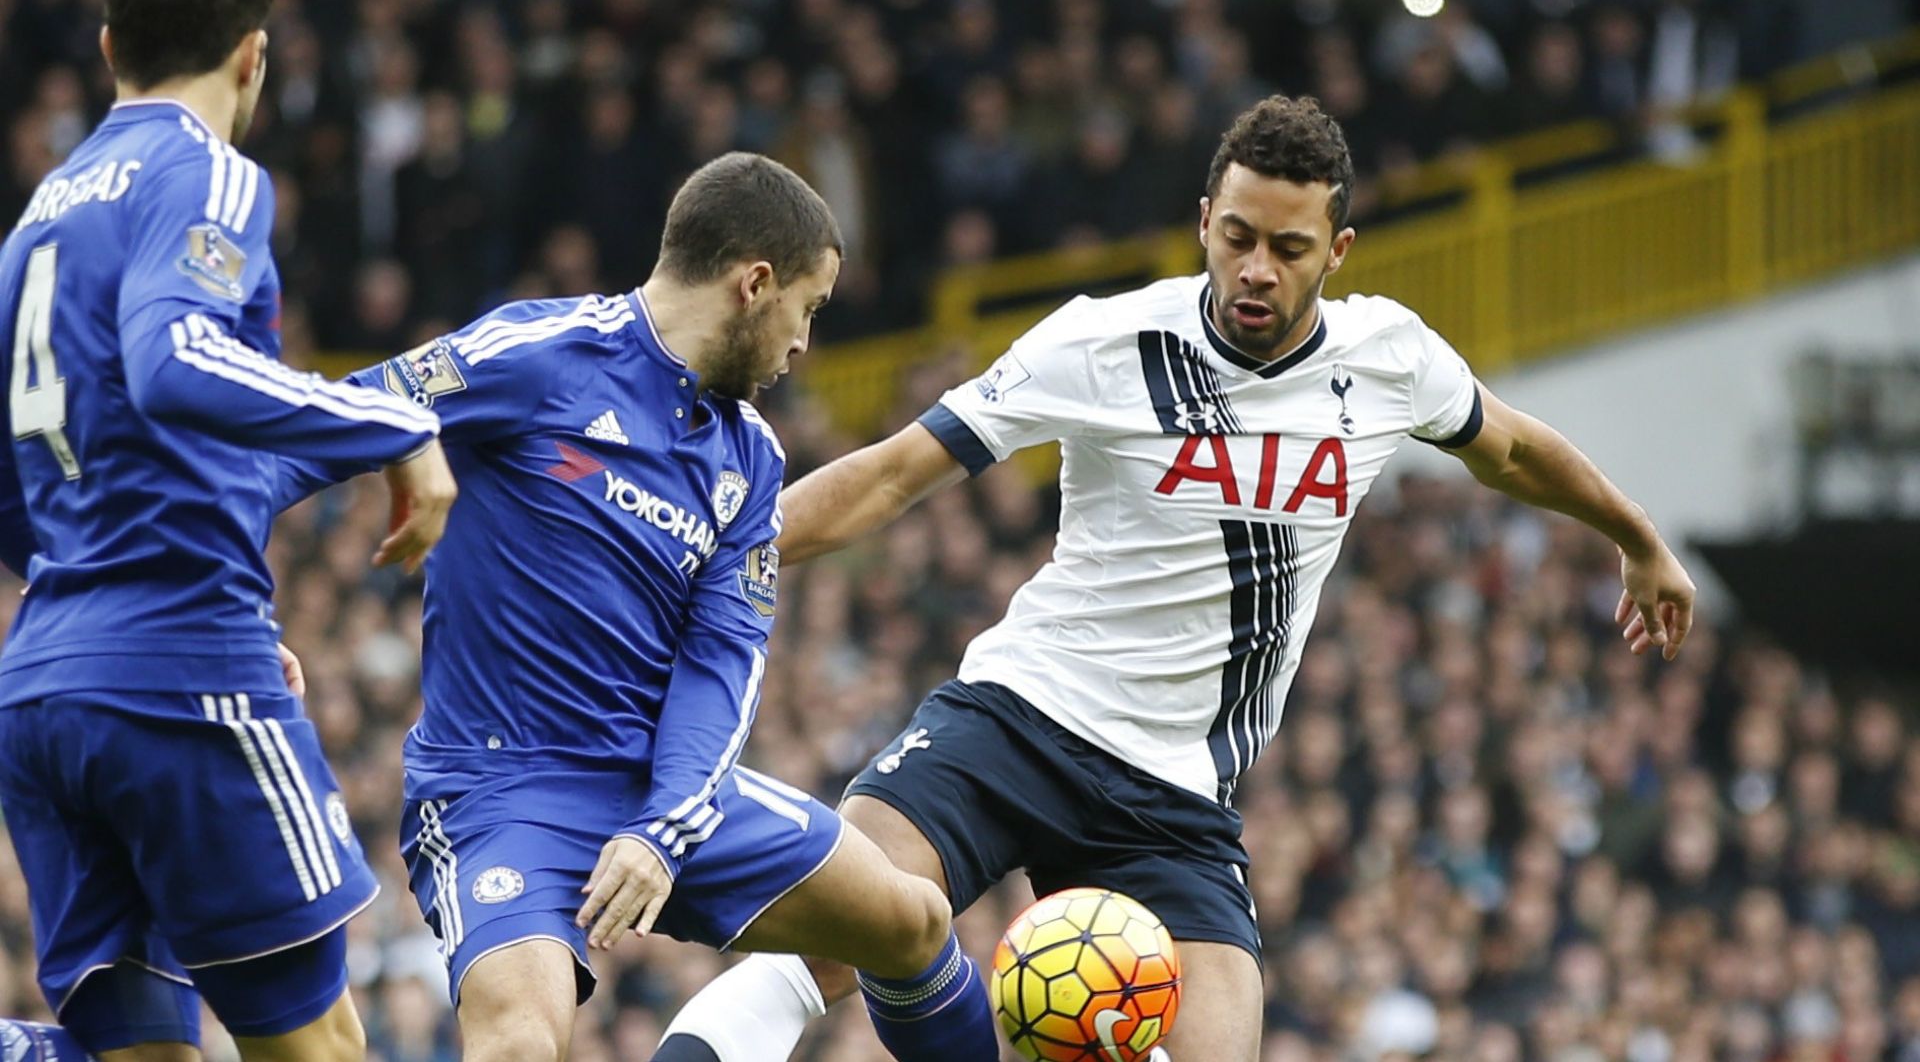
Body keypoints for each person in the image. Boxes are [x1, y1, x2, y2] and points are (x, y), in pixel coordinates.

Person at [652, 95, 1699, 1062]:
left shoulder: (1388, 359)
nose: (1255, 268)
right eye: (1236, 238)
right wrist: (692, 552)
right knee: (838, 925)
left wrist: (1636, 534)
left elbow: (1509, 448)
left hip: (1176, 797)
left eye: (1288, 249)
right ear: (1205, 220)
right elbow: (889, 479)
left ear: (1334, 251)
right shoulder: (1101, 342)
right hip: (1016, 720)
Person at [271, 152, 998, 1062]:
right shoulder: (540, 357)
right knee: (519, 1046)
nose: (804, 343)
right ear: (755, 284)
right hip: (502, 794)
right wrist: (229, 605)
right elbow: (311, 424)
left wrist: (662, 827)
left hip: (661, 784)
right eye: (807, 310)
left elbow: (720, 666)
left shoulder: (751, 460)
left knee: (912, 921)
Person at [0, 0, 458, 1059]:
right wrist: (396, 425)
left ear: (111, 48)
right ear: (254, 58)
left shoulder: (37, 218)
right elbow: (175, 360)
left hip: (44, 688)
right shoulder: (204, 171)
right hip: (177, 668)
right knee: (321, 1049)